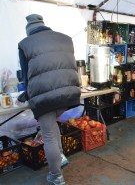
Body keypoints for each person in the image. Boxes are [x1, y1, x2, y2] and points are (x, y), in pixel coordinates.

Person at [18, 14, 81, 185]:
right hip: (68, 93)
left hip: (44, 98)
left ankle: (56, 176)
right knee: (54, 129)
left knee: (49, 135)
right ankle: (59, 158)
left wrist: (25, 93)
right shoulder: (65, 39)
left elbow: (25, 76)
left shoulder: (25, 44)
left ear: (29, 30)